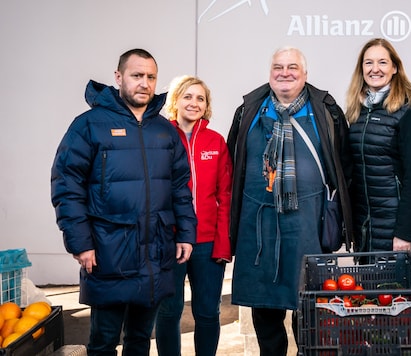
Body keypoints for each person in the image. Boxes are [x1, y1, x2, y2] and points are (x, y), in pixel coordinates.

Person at [50, 48, 197, 356]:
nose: (144, 83)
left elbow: (180, 187)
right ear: (119, 78)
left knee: (140, 340)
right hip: (108, 251)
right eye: (137, 76)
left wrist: (185, 233)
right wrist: (80, 242)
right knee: (103, 342)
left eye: (151, 77)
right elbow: (67, 184)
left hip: (155, 252)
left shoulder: (164, 130)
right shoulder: (89, 125)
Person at [226, 46, 352, 355]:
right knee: (265, 308)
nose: (285, 73)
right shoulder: (249, 110)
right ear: (269, 73)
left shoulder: (326, 110)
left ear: (305, 74)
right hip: (259, 224)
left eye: (292, 67)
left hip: (308, 221)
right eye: (278, 67)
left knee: (308, 305)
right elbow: (233, 165)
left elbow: (344, 168)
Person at [154, 76, 233, 356]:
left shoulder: (216, 142)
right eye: (188, 96)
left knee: (208, 312)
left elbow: (225, 196)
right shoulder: (160, 137)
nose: (194, 103)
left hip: (208, 243)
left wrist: (224, 244)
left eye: (200, 98)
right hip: (170, 241)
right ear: (175, 101)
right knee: (168, 312)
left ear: (207, 105)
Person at [345, 38, 411, 264]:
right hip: (366, 226)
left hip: (396, 229)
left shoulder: (408, 109)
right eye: (368, 63)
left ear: (394, 68)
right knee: (369, 296)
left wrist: (404, 232)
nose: (375, 69)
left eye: (382, 62)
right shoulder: (356, 110)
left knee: (400, 296)